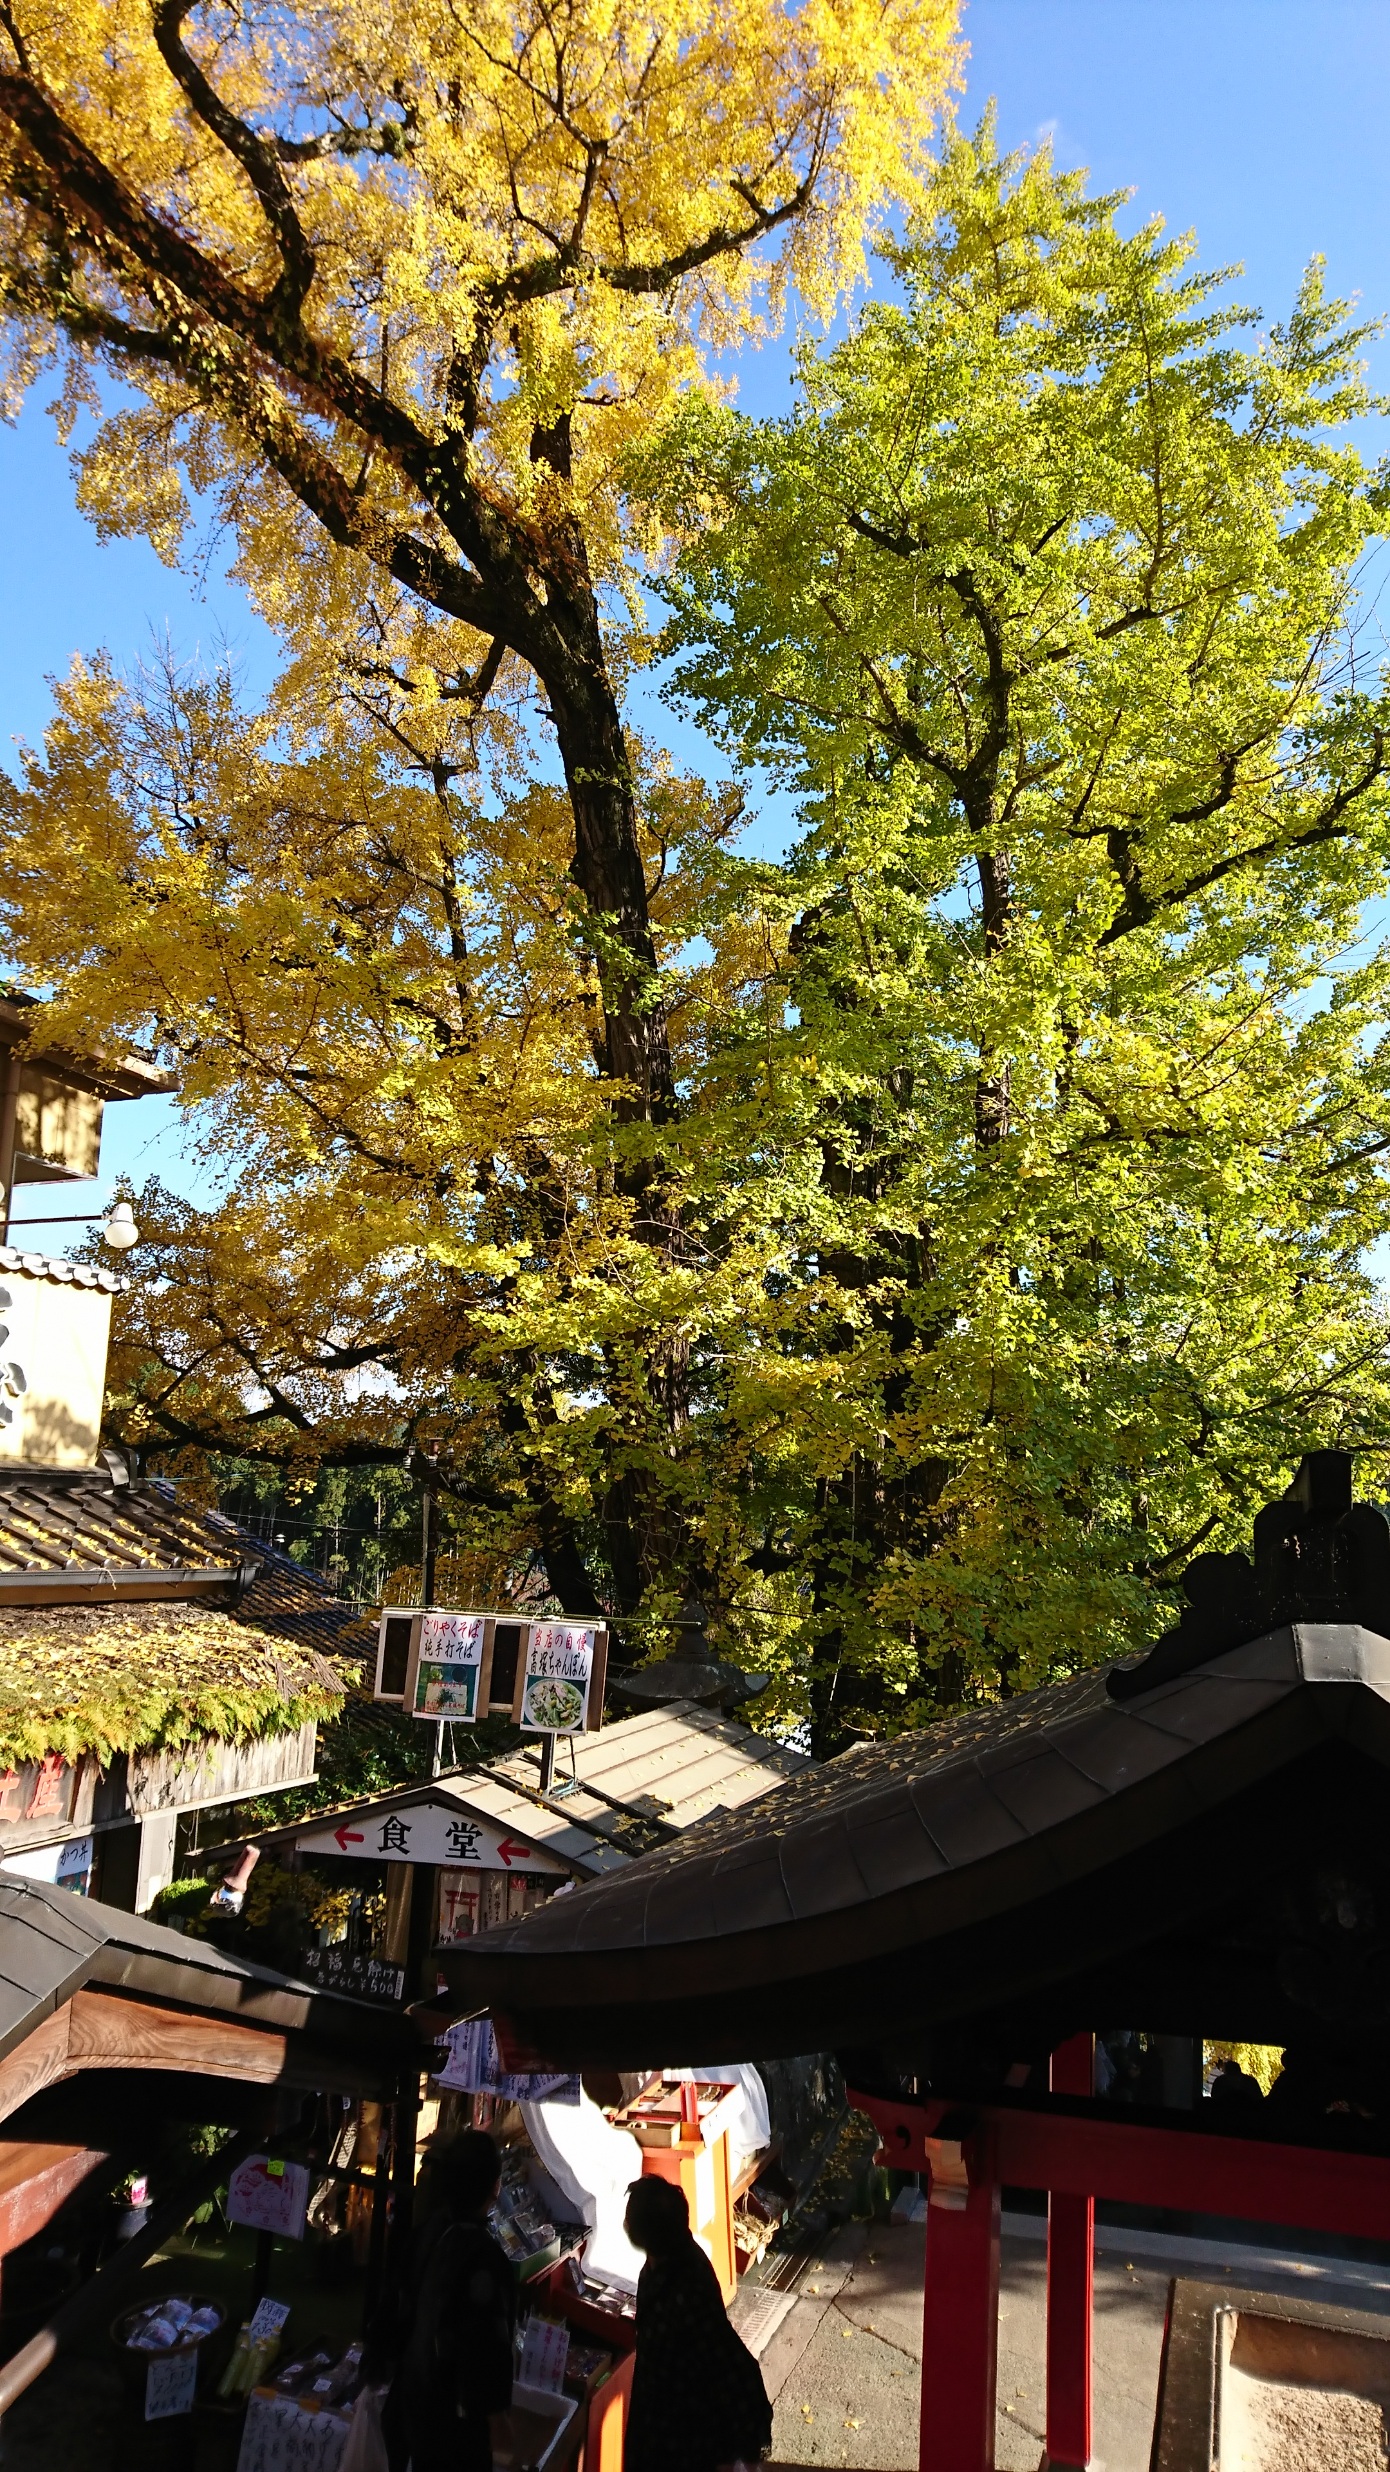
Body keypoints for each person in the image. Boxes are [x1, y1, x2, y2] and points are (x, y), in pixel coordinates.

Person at [384, 2128, 516, 2472]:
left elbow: (395, 2304)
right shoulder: (484, 2258)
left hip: (411, 2394)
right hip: (452, 2417)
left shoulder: (425, 2232)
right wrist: (497, 2416)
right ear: (495, 2187)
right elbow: (487, 2343)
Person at [623, 2176, 772, 2472]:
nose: (624, 2224)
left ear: (642, 2235)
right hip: (664, 2408)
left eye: (629, 2220)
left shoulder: (683, 2289)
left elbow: (718, 2365)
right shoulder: (675, 2253)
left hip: (683, 2422)